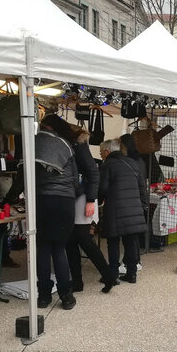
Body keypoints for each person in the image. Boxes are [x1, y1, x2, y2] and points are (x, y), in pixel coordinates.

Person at [5, 114, 78, 309]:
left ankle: (44, 295)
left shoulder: (32, 144)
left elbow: (21, 179)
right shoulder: (65, 145)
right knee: (60, 249)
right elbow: (75, 178)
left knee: (43, 250)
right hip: (64, 203)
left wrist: (7, 201)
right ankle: (66, 296)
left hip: (41, 201)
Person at [66, 124, 115, 294]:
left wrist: (90, 200)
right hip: (78, 197)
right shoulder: (74, 145)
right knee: (72, 240)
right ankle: (78, 282)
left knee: (82, 239)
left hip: (83, 197)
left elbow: (93, 175)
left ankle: (108, 275)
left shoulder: (79, 146)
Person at [99, 139, 148, 283]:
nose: (101, 156)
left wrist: (98, 200)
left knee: (113, 240)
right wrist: (143, 205)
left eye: (101, 153)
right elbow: (141, 187)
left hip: (115, 209)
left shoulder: (107, 165)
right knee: (131, 240)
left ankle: (113, 274)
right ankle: (132, 274)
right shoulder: (133, 163)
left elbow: (102, 188)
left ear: (107, 152)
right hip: (134, 208)